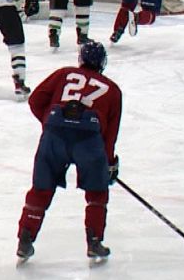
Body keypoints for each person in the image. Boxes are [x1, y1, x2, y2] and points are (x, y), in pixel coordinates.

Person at [16, 40, 123, 263]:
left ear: (81, 59)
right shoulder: (112, 90)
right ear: (102, 63)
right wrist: (109, 163)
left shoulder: (64, 73)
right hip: (89, 142)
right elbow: (110, 135)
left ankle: (25, 238)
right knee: (97, 191)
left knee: (41, 188)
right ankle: (94, 241)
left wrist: (50, 124)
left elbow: (36, 100)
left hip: (54, 137)